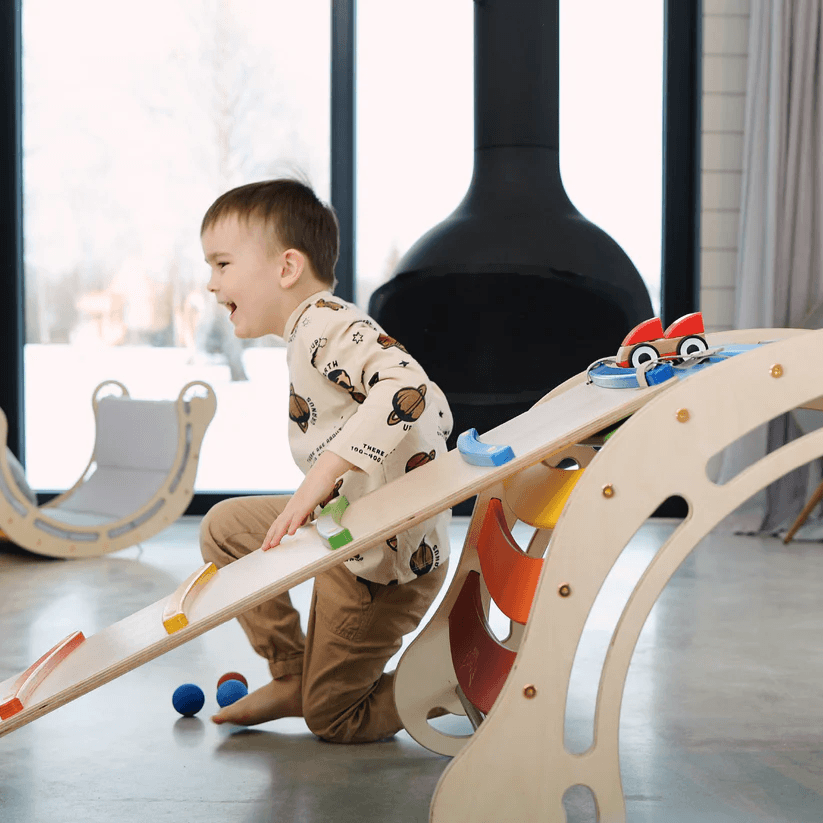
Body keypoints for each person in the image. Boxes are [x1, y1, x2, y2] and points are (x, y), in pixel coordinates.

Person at [199, 179, 453, 743]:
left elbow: (407, 385)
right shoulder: (311, 329)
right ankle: (292, 674)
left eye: (221, 264)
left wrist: (320, 478)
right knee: (224, 531)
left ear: (286, 267)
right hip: (344, 527)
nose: (211, 283)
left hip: (380, 566)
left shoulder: (329, 325)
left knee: (333, 717)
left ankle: (449, 680)